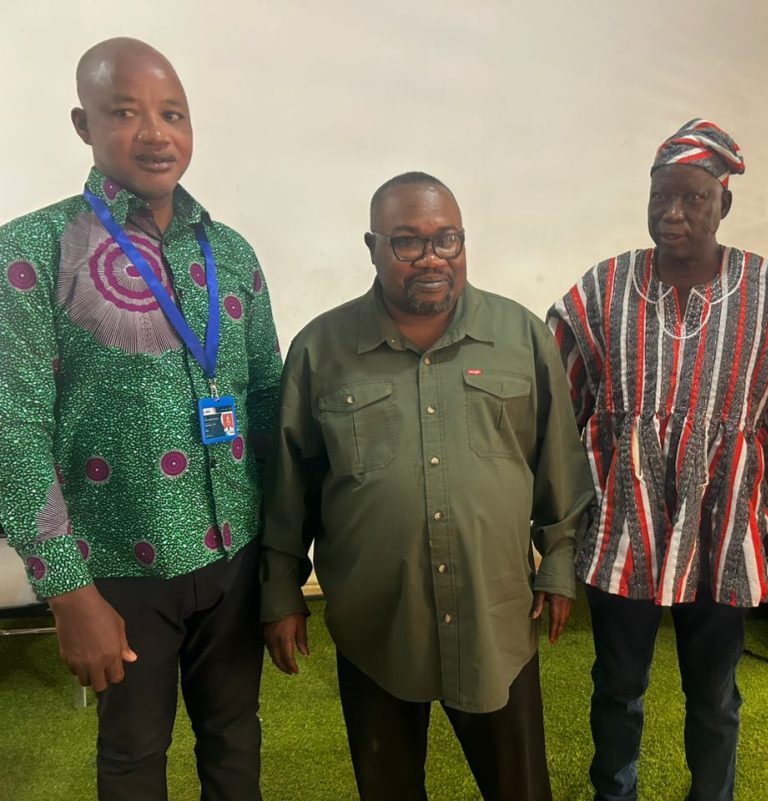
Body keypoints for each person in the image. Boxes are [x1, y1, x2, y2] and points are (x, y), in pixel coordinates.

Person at [0, 38, 282, 801]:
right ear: (82, 124)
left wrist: (279, 560)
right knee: (132, 758)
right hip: (118, 570)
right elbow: (13, 429)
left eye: (173, 114)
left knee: (236, 737)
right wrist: (68, 591)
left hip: (235, 556)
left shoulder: (230, 253)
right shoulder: (31, 253)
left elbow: (266, 399)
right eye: (126, 112)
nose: (156, 134)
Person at [259, 171, 593, 801]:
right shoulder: (320, 350)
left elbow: (558, 459)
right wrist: (280, 589)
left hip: (495, 615)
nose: (432, 258)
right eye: (408, 242)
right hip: (377, 618)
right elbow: (290, 482)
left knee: (520, 788)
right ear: (373, 247)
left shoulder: (520, 336)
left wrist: (558, 561)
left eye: (447, 240)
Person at [547, 119, 768, 801]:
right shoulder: (603, 287)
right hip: (622, 526)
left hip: (726, 529)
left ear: (724, 203)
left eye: (693, 198)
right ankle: (613, 792)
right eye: (661, 197)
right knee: (617, 683)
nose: (673, 213)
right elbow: (557, 403)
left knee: (713, 693)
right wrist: (562, 518)